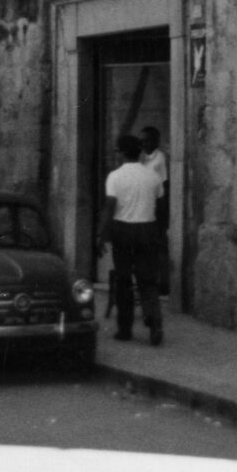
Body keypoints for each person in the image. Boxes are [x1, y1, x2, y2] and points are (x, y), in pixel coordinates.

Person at [97, 134, 164, 345]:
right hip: (148, 229)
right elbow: (160, 206)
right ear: (139, 152)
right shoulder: (153, 176)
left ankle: (124, 329)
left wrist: (101, 235)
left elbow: (109, 208)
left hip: (123, 230)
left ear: (122, 153)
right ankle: (154, 321)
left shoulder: (115, 177)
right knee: (148, 280)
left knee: (124, 280)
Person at [139, 125, 171, 295]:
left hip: (157, 206)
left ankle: (163, 282)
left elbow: (164, 184)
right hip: (144, 207)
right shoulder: (142, 158)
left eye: (148, 140)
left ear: (156, 141)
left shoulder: (160, 159)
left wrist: (162, 211)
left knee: (159, 246)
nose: (144, 144)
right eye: (142, 141)